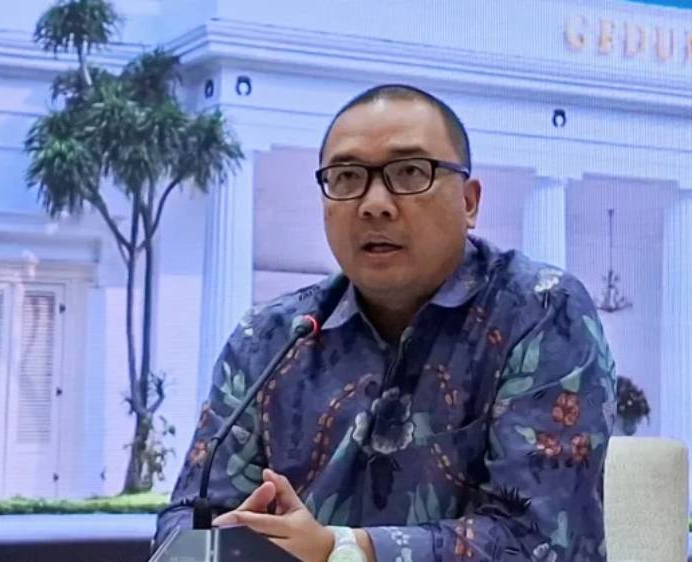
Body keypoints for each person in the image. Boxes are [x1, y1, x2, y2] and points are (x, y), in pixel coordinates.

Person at [156, 84, 617, 562]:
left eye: (410, 172)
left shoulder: (540, 311)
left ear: (469, 202)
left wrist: (343, 551)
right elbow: (188, 516)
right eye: (346, 177)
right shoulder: (270, 337)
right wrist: (226, 539)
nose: (374, 203)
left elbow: (542, 539)